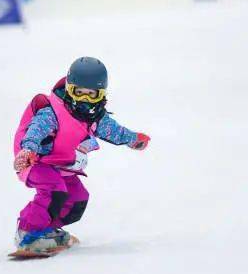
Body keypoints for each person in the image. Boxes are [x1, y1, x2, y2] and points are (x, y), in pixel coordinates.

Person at [12, 57, 150, 252]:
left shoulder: (96, 117)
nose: (84, 99)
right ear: (69, 89)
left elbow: (114, 131)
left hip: (60, 165)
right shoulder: (52, 112)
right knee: (54, 191)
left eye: (91, 95)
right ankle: (28, 232)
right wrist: (28, 149)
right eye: (79, 93)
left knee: (77, 199)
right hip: (35, 161)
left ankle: (47, 230)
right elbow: (36, 129)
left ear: (101, 94)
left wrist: (133, 139)